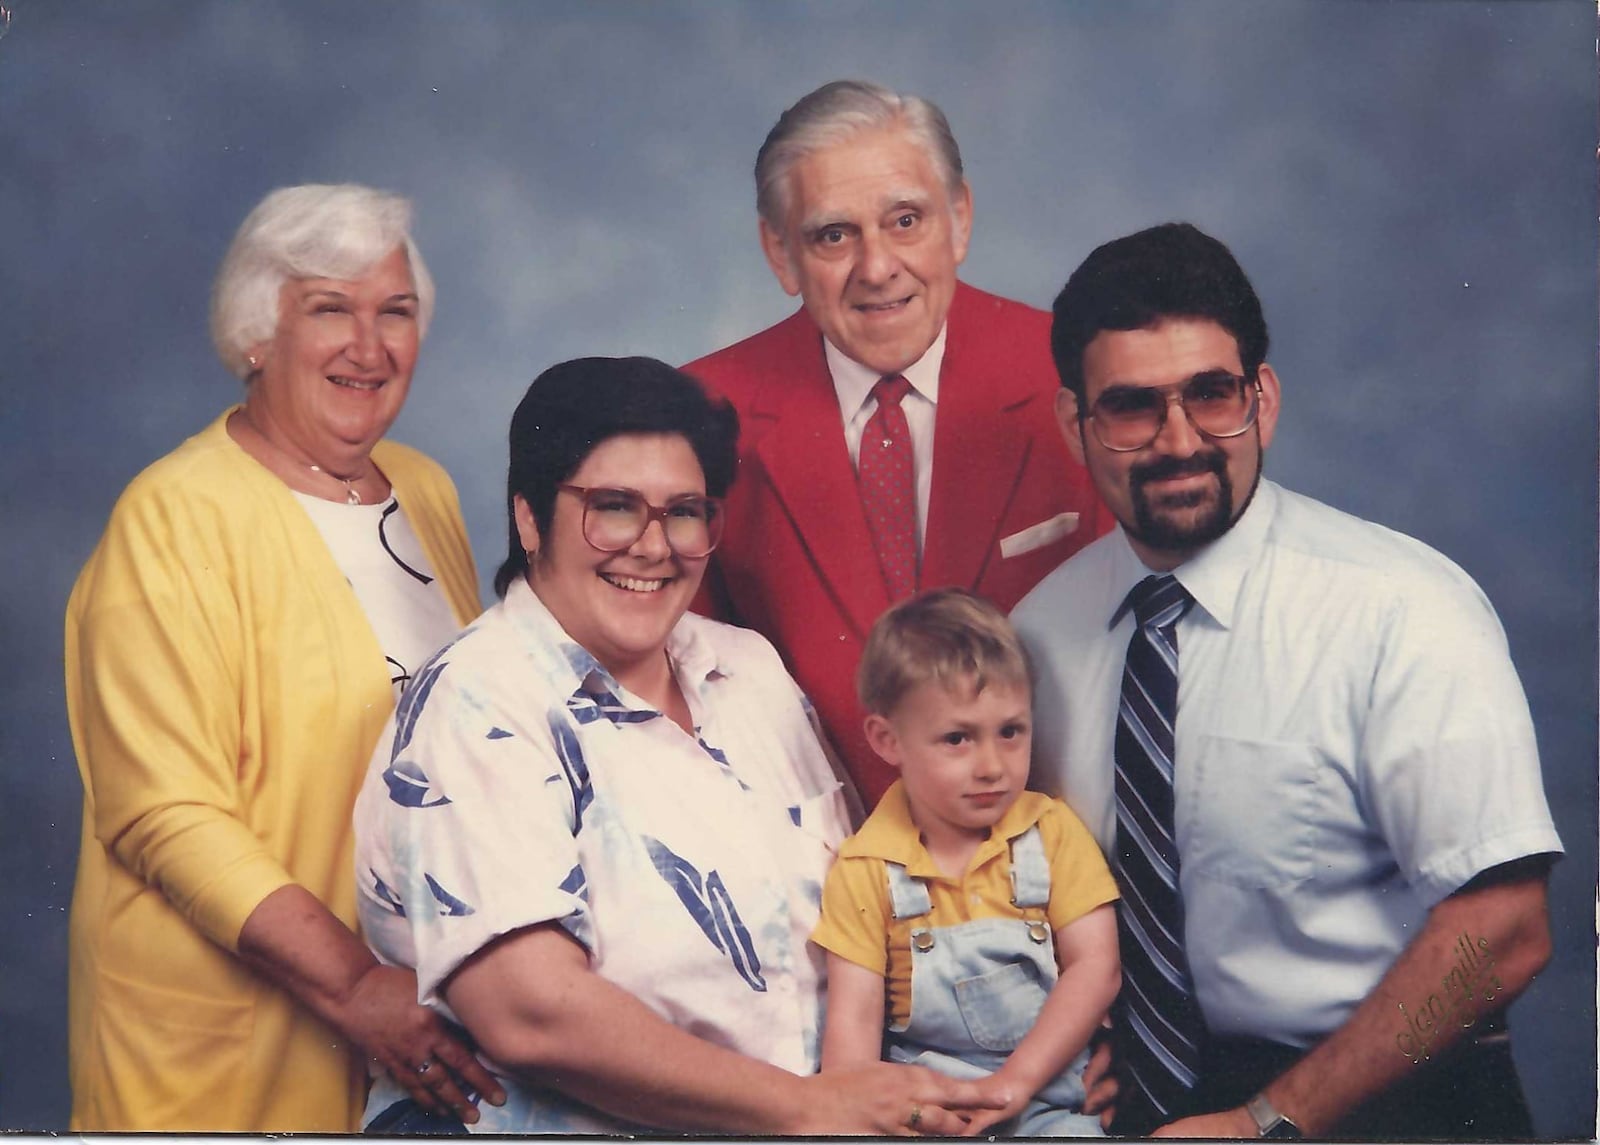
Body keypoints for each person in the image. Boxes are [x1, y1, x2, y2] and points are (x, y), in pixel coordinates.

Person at [352, 356, 1004, 1135]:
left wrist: (1034, 1050)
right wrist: (810, 1107)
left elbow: (873, 900)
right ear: (529, 518)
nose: (654, 546)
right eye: (615, 506)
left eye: (685, 510)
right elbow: (530, 1014)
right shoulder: (475, 702)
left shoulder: (749, 667)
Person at [1012, 222, 1563, 1138]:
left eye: (1211, 394)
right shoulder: (1036, 633)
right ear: (1078, 423)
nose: (1179, 439)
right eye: (1133, 406)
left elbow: (1507, 928)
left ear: (1262, 399)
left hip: (1390, 1096)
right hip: (1140, 1110)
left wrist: (1271, 1119)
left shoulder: (1401, 607)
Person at [63, 183, 500, 1132]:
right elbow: (164, 812)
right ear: (257, 332)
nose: (370, 346)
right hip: (234, 1045)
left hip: (408, 1028)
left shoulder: (422, 490)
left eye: (396, 313)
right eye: (330, 310)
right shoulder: (173, 515)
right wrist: (356, 987)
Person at [686, 79, 1109, 805]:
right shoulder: (700, 415)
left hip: (1064, 862)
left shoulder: (1078, 371)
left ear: (960, 218)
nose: (877, 267)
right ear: (781, 252)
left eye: (905, 220)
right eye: (832, 234)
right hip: (819, 880)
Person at [813, 588, 1121, 1136]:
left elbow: (1098, 969)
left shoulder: (1049, 832)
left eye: (1010, 732)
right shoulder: (865, 868)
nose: (992, 767)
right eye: (957, 738)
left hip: (1045, 1102)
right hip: (927, 1111)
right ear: (888, 740)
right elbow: (852, 1045)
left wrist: (1016, 1083)